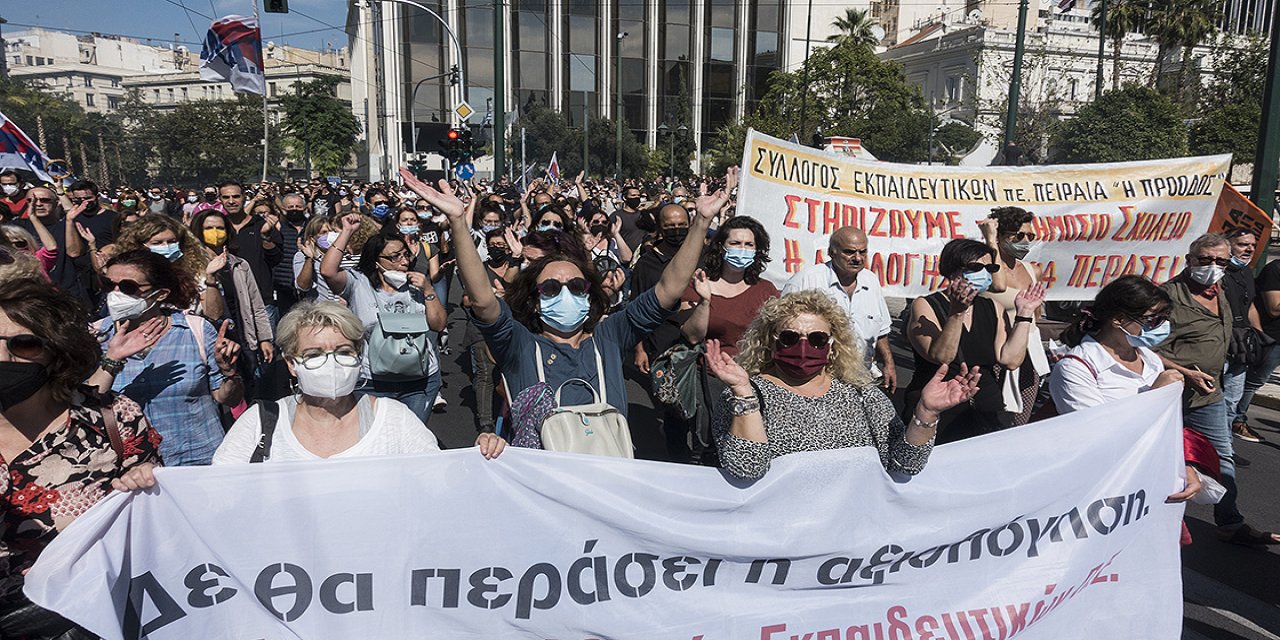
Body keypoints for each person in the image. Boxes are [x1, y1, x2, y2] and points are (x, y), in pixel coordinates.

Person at [404, 167, 734, 418]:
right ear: (534, 301)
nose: (566, 294)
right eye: (551, 288)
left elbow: (668, 288)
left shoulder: (610, 336)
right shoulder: (519, 344)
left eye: (576, 286)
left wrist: (701, 222)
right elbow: (482, 300)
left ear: (589, 295)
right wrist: (459, 222)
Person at [112, 303, 504, 473]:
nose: (331, 363)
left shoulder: (395, 420)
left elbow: (438, 486)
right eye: (314, 354)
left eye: (344, 352)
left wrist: (487, 457)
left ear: (359, 358)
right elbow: (219, 497)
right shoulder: (260, 424)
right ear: (292, 365)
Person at [0, 277, 161, 638]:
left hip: (87, 623)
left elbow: (156, 523)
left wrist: (142, 484)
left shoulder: (113, 418)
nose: (3, 357)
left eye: (23, 344)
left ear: (57, 350)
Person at [706, 290, 982, 480]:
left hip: (852, 535)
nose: (803, 346)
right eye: (790, 337)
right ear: (770, 341)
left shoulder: (862, 395)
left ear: (832, 346)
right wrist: (744, 396)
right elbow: (746, 469)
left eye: (816, 339)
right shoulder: (744, 396)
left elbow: (905, 465)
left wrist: (926, 414)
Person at [1154, 233, 1279, 545]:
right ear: (1189, 260)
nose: (1212, 266)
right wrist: (1185, 372)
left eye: (1220, 261)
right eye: (1205, 259)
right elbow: (1143, 348)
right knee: (1158, 458)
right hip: (1167, 393)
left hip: (1208, 394)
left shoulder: (1221, 289)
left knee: (1222, 456)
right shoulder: (1166, 297)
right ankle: (1150, 524)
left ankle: (1231, 523)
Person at [86, 250, 243, 466]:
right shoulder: (95, 336)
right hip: (131, 469)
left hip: (197, 462)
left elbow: (228, 398)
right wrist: (112, 359)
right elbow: (87, 407)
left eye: (128, 287)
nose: (115, 293)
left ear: (160, 294)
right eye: (108, 284)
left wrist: (229, 373)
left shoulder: (195, 330)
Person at [904, 238, 1044, 443]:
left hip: (986, 407)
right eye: (977, 268)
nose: (985, 273)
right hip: (938, 407)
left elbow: (1010, 360)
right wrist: (956, 313)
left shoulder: (993, 307)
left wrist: (1024, 314)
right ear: (953, 270)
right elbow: (942, 357)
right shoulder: (926, 305)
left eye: (990, 268)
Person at [319, 217, 448, 427]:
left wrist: (428, 290)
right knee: (376, 436)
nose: (403, 261)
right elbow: (328, 271)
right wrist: (347, 231)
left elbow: (438, 325)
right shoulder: (358, 283)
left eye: (406, 254)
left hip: (419, 381)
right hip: (373, 381)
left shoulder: (418, 285)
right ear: (376, 261)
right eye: (394, 257)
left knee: (411, 437)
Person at [671, 215, 778, 464]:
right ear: (721, 246)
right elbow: (692, 334)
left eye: (749, 244)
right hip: (710, 381)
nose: (742, 249)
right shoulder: (699, 284)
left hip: (755, 379)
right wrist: (705, 302)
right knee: (708, 445)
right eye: (735, 243)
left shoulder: (766, 290)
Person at [782, 227, 895, 392]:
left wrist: (889, 363)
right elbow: (782, 332)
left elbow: (881, 330)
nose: (857, 258)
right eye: (849, 252)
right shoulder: (805, 281)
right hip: (817, 379)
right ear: (832, 252)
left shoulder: (871, 281)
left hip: (863, 378)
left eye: (863, 252)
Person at [979, 207, 1050, 425]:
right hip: (993, 354)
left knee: (1020, 421)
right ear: (999, 235)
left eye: (1030, 236)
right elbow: (999, 286)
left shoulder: (1032, 270)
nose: (1025, 242)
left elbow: (1035, 315)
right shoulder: (984, 265)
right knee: (990, 421)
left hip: (1027, 355)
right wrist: (990, 240)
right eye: (1018, 236)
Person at [191, 209, 275, 374]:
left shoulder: (240, 265)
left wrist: (264, 338)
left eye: (220, 228)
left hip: (242, 336)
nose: (215, 232)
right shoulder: (190, 267)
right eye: (208, 228)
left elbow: (256, 305)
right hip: (209, 340)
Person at [114, 215, 226, 321]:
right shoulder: (127, 275)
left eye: (172, 242)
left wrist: (210, 279)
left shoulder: (197, 272)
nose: (166, 246)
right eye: (157, 243)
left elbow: (214, 314)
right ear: (141, 246)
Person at [1218, 229, 1266, 443]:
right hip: (1220, 343)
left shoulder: (1246, 272)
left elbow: (1250, 306)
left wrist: (1260, 337)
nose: (1249, 249)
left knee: (1232, 399)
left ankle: (1224, 445)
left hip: (1242, 345)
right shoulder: (1216, 272)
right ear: (1228, 246)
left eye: (1253, 245)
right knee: (1212, 398)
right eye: (1243, 244)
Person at [219, 182, 282, 324]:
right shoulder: (218, 226)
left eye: (236, 196)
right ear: (220, 199)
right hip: (229, 301)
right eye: (226, 197)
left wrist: (265, 237)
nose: (231, 201)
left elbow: (276, 259)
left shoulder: (261, 224)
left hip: (260, 300)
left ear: (244, 197)